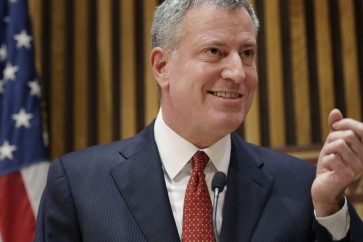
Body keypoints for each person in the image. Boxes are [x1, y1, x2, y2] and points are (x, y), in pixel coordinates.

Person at [35, 0, 363, 241]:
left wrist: (329, 208)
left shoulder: (304, 188)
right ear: (162, 67)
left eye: (247, 53)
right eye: (215, 51)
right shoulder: (79, 186)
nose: (238, 72)